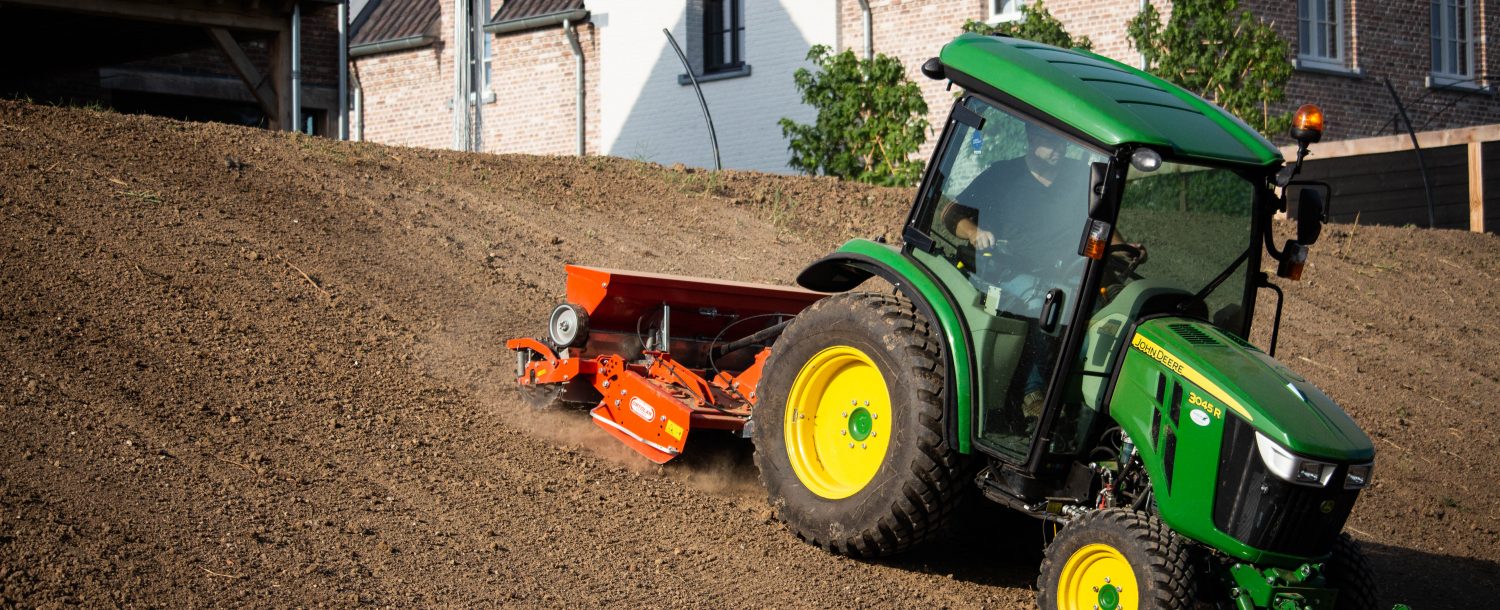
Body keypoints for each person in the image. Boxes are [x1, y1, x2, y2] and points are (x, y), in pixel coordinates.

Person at [941, 124, 1145, 424]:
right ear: (1032, 138)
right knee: (1045, 308)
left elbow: (1101, 225)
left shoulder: (1079, 177)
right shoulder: (1002, 175)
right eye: (1051, 143)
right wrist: (974, 232)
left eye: (1063, 144)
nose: (1058, 150)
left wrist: (1124, 249)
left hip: (1067, 271)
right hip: (1008, 270)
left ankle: (1090, 398)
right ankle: (1031, 393)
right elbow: (951, 213)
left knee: (1106, 317)